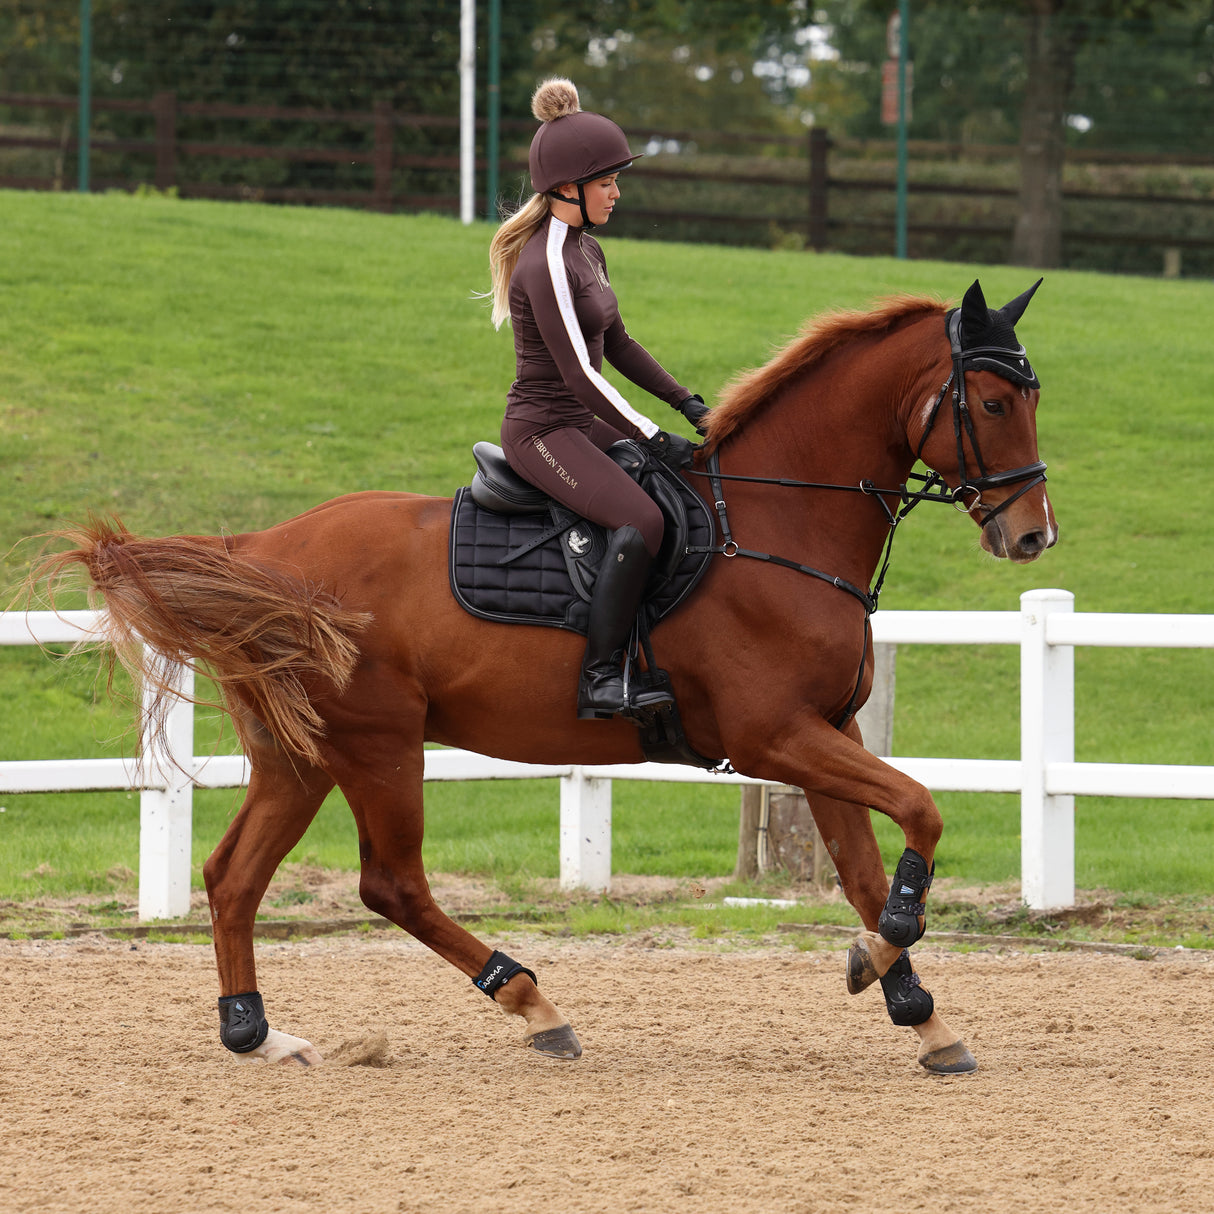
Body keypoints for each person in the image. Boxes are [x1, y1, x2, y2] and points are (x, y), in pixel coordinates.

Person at [485, 77, 709, 722]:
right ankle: (601, 679)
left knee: (683, 486)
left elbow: (619, 343)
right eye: (607, 180)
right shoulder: (546, 261)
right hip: (542, 432)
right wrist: (649, 433)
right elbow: (582, 374)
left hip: (581, 421)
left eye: (616, 178)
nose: (617, 190)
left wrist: (687, 404)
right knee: (643, 522)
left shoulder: (586, 247)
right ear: (566, 188)